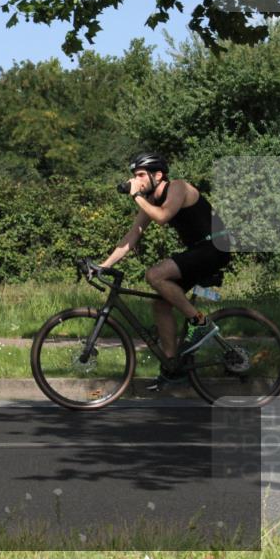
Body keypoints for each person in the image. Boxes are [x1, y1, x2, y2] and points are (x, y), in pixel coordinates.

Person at [99, 153, 231, 389]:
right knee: (160, 304)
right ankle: (172, 368)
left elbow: (162, 217)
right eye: (134, 176)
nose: (136, 180)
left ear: (157, 175)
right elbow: (132, 236)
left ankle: (199, 323)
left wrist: (137, 195)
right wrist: (103, 266)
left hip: (215, 247)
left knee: (155, 274)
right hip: (199, 251)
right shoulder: (151, 200)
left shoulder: (178, 187)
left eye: (140, 175)